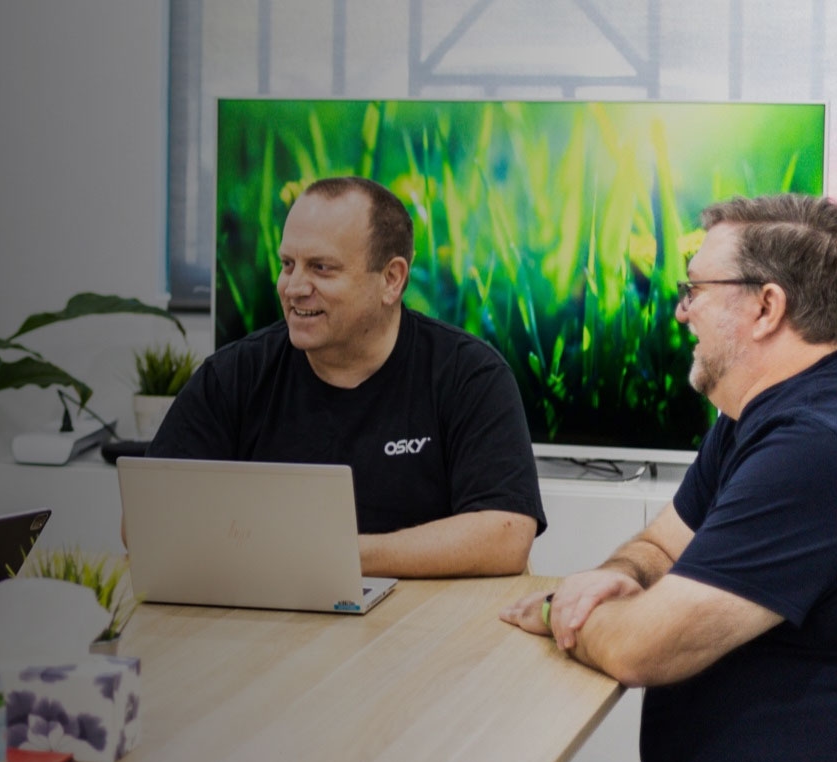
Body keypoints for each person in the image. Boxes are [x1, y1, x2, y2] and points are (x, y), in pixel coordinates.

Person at [499, 193, 837, 762]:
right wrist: (614, 576)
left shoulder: (810, 446)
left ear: (766, 308)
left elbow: (642, 649)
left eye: (695, 291)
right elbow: (661, 544)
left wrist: (558, 610)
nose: (682, 311)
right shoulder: (752, 415)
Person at [148, 176, 544, 577]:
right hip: (274, 621)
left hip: (425, 624)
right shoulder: (232, 376)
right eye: (288, 264)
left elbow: (506, 535)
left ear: (392, 279)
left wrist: (335, 556)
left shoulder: (470, 375)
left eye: (321, 268)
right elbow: (149, 521)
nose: (294, 288)